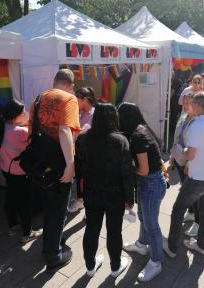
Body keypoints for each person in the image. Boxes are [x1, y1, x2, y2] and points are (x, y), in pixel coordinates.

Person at [29, 69, 81, 271]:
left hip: (40, 162)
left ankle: (51, 241)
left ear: (54, 81)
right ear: (71, 84)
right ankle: (53, 254)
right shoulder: (69, 99)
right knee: (57, 209)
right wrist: (70, 164)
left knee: (49, 204)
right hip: (59, 162)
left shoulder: (39, 98)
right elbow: (64, 130)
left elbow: (30, 129)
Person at [75, 103, 134, 278]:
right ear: (113, 117)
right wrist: (130, 199)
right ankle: (115, 267)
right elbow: (126, 173)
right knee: (114, 231)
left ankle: (90, 267)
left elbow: (79, 168)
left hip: (91, 191)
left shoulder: (83, 138)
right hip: (115, 194)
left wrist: (79, 193)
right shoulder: (120, 140)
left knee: (91, 228)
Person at [163, 92, 204, 257]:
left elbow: (190, 155)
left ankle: (172, 248)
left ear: (197, 106)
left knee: (178, 209)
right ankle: (202, 245)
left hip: (199, 179)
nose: (189, 105)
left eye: (192, 103)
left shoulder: (196, 126)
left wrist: (181, 151)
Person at [118, 102, 166, 282]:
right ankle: (141, 244)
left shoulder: (138, 136)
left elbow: (144, 170)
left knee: (152, 224)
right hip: (150, 182)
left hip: (151, 183)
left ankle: (156, 262)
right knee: (144, 217)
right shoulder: (142, 128)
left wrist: (127, 171)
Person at [0, 99, 41, 243]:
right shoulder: (21, 132)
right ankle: (27, 234)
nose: (25, 113)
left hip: (5, 170)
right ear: (15, 116)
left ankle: (13, 226)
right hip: (20, 173)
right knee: (25, 203)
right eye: (23, 112)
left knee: (11, 197)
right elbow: (35, 140)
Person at [170, 93, 199, 237]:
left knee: (191, 192)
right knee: (184, 186)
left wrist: (189, 163)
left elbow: (196, 148)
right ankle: (192, 212)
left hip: (189, 162)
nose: (186, 105)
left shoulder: (198, 122)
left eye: (189, 103)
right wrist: (172, 156)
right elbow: (177, 138)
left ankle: (197, 220)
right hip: (179, 158)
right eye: (185, 103)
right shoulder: (183, 117)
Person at [68, 86, 97, 213]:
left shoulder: (95, 114)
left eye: (77, 100)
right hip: (77, 152)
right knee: (79, 176)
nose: (75, 103)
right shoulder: (78, 113)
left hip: (90, 154)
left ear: (85, 99)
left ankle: (90, 206)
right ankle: (80, 200)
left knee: (89, 179)